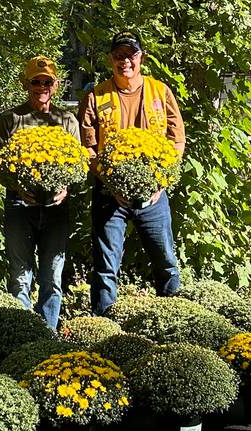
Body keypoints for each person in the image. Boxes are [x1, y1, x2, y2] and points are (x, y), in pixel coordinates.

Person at [78, 30, 186, 316]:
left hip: (155, 195)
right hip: (109, 195)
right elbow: (87, 147)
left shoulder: (160, 91)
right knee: (105, 268)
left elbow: (177, 140)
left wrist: (160, 182)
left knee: (165, 263)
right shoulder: (95, 95)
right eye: (118, 56)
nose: (125, 61)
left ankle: (171, 322)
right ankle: (104, 330)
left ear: (142, 58)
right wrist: (111, 182)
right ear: (110, 59)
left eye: (131, 55)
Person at [0, 56, 80, 330]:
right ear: (25, 84)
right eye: (35, 82)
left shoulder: (66, 120)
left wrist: (66, 187)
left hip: (56, 208)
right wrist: (19, 188)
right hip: (20, 206)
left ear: (56, 85)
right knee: (20, 276)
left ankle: (47, 335)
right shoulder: (10, 120)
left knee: (52, 276)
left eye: (47, 82)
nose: (41, 86)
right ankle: (23, 334)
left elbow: (78, 164)